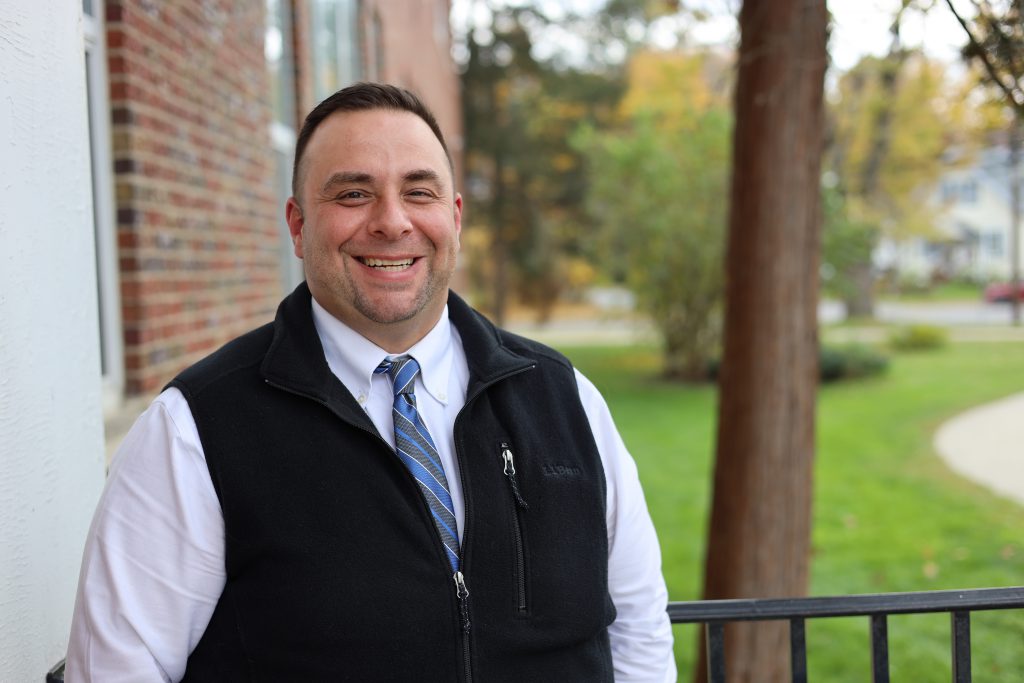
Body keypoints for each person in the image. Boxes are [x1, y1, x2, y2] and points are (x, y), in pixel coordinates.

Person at [66, 82, 675, 682]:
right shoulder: (195, 432)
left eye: (419, 191)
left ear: (454, 218)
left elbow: (639, 632)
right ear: (298, 225)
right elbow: (119, 667)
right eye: (353, 194)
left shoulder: (566, 400)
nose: (391, 222)